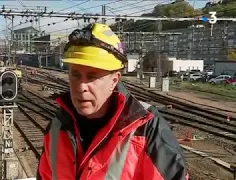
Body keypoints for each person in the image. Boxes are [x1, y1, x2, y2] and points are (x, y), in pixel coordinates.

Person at [37, 23, 189, 180]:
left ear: (114, 80)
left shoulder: (145, 129)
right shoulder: (57, 128)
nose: (81, 86)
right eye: (75, 75)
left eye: (92, 76)